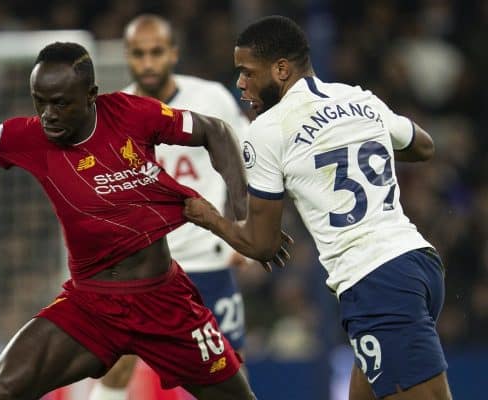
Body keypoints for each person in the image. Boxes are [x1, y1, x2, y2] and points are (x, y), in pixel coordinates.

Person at [0, 41, 271, 400]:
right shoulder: (27, 136)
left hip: (164, 304)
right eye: (40, 101)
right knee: (2, 389)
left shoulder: (132, 113)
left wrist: (243, 212)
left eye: (61, 103)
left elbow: (216, 131)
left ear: (91, 95)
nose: (48, 113)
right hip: (92, 306)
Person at [184, 16, 453, 400]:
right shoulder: (358, 97)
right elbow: (423, 146)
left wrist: (208, 217)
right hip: (418, 263)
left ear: (280, 69)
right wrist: (358, 138)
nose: (241, 84)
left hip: (375, 282)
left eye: (246, 72)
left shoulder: (268, 129)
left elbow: (261, 245)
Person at [89, 14, 251, 400]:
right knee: (118, 361)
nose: (148, 63)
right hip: (148, 267)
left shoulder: (211, 99)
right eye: (139, 54)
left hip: (207, 259)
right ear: (126, 56)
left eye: (156, 52)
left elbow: (246, 160)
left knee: (230, 366)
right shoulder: (111, 117)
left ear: (173, 53)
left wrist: (242, 228)